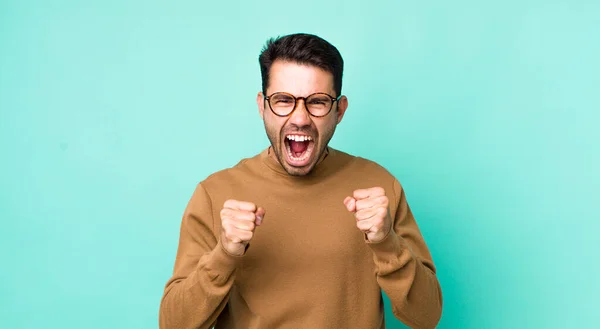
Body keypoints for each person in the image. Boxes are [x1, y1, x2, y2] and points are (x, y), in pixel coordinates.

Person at [159, 33, 443, 329]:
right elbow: (174, 324)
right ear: (262, 106)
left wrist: (386, 242)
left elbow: (426, 316)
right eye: (283, 100)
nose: (300, 118)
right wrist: (224, 254)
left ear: (340, 110)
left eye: (317, 102)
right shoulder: (215, 194)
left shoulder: (379, 187)